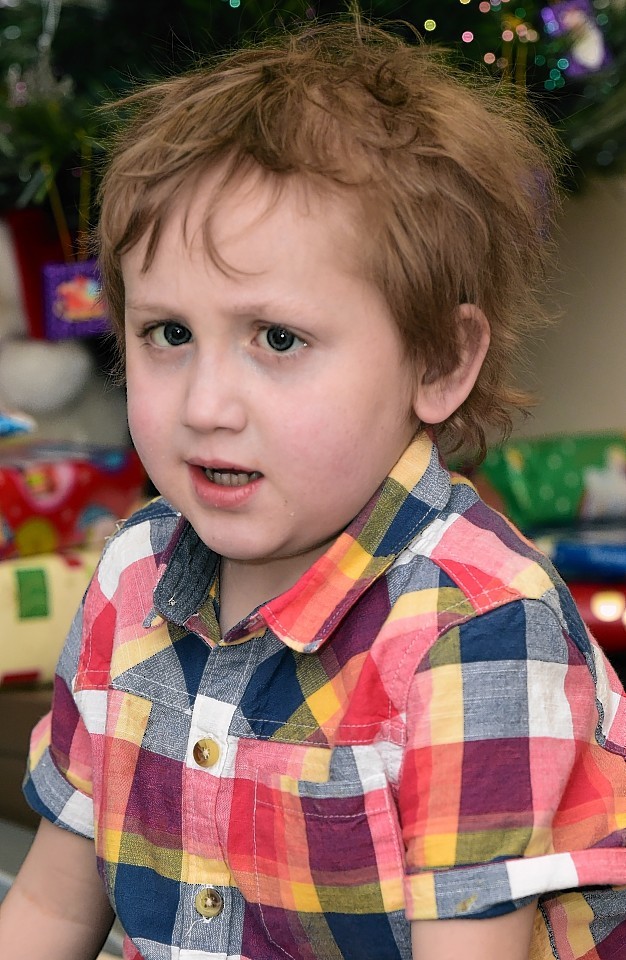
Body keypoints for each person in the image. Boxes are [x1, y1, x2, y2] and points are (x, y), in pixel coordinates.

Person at [1, 15, 625, 960]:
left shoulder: (480, 630)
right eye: (169, 334)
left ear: (441, 361)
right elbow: (49, 911)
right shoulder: (132, 575)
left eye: (278, 340)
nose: (207, 405)